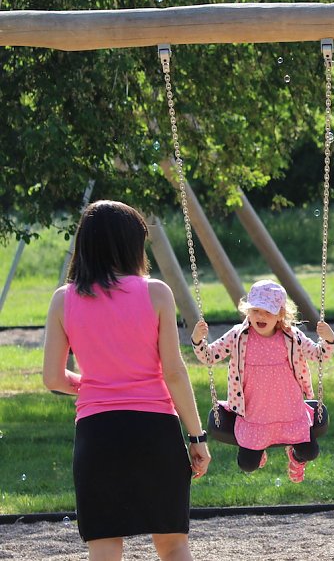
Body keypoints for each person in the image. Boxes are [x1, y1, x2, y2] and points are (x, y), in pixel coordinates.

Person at [42, 200, 211, 561]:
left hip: (97, 434)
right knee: (173, 543)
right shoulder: (156, 292)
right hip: (155, 430)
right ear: (133, 244)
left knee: (104, 545)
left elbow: (52, 377)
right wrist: (197, 436)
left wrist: (90, 384)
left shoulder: (63, 299)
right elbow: (174, 372)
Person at [191, 279, 334, 482]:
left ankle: (295, 457)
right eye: (256, 310)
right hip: (255, 417)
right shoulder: (238, 336)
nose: (260, 316)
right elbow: (209, 356)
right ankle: (259, 454)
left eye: (268, 311)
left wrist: (329, 339)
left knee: (310, 452)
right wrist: (198, 340)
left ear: (280, 315)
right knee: (247, 464)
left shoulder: (292, 336)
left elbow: (319, 354)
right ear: (248, 311)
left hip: (289, 412)